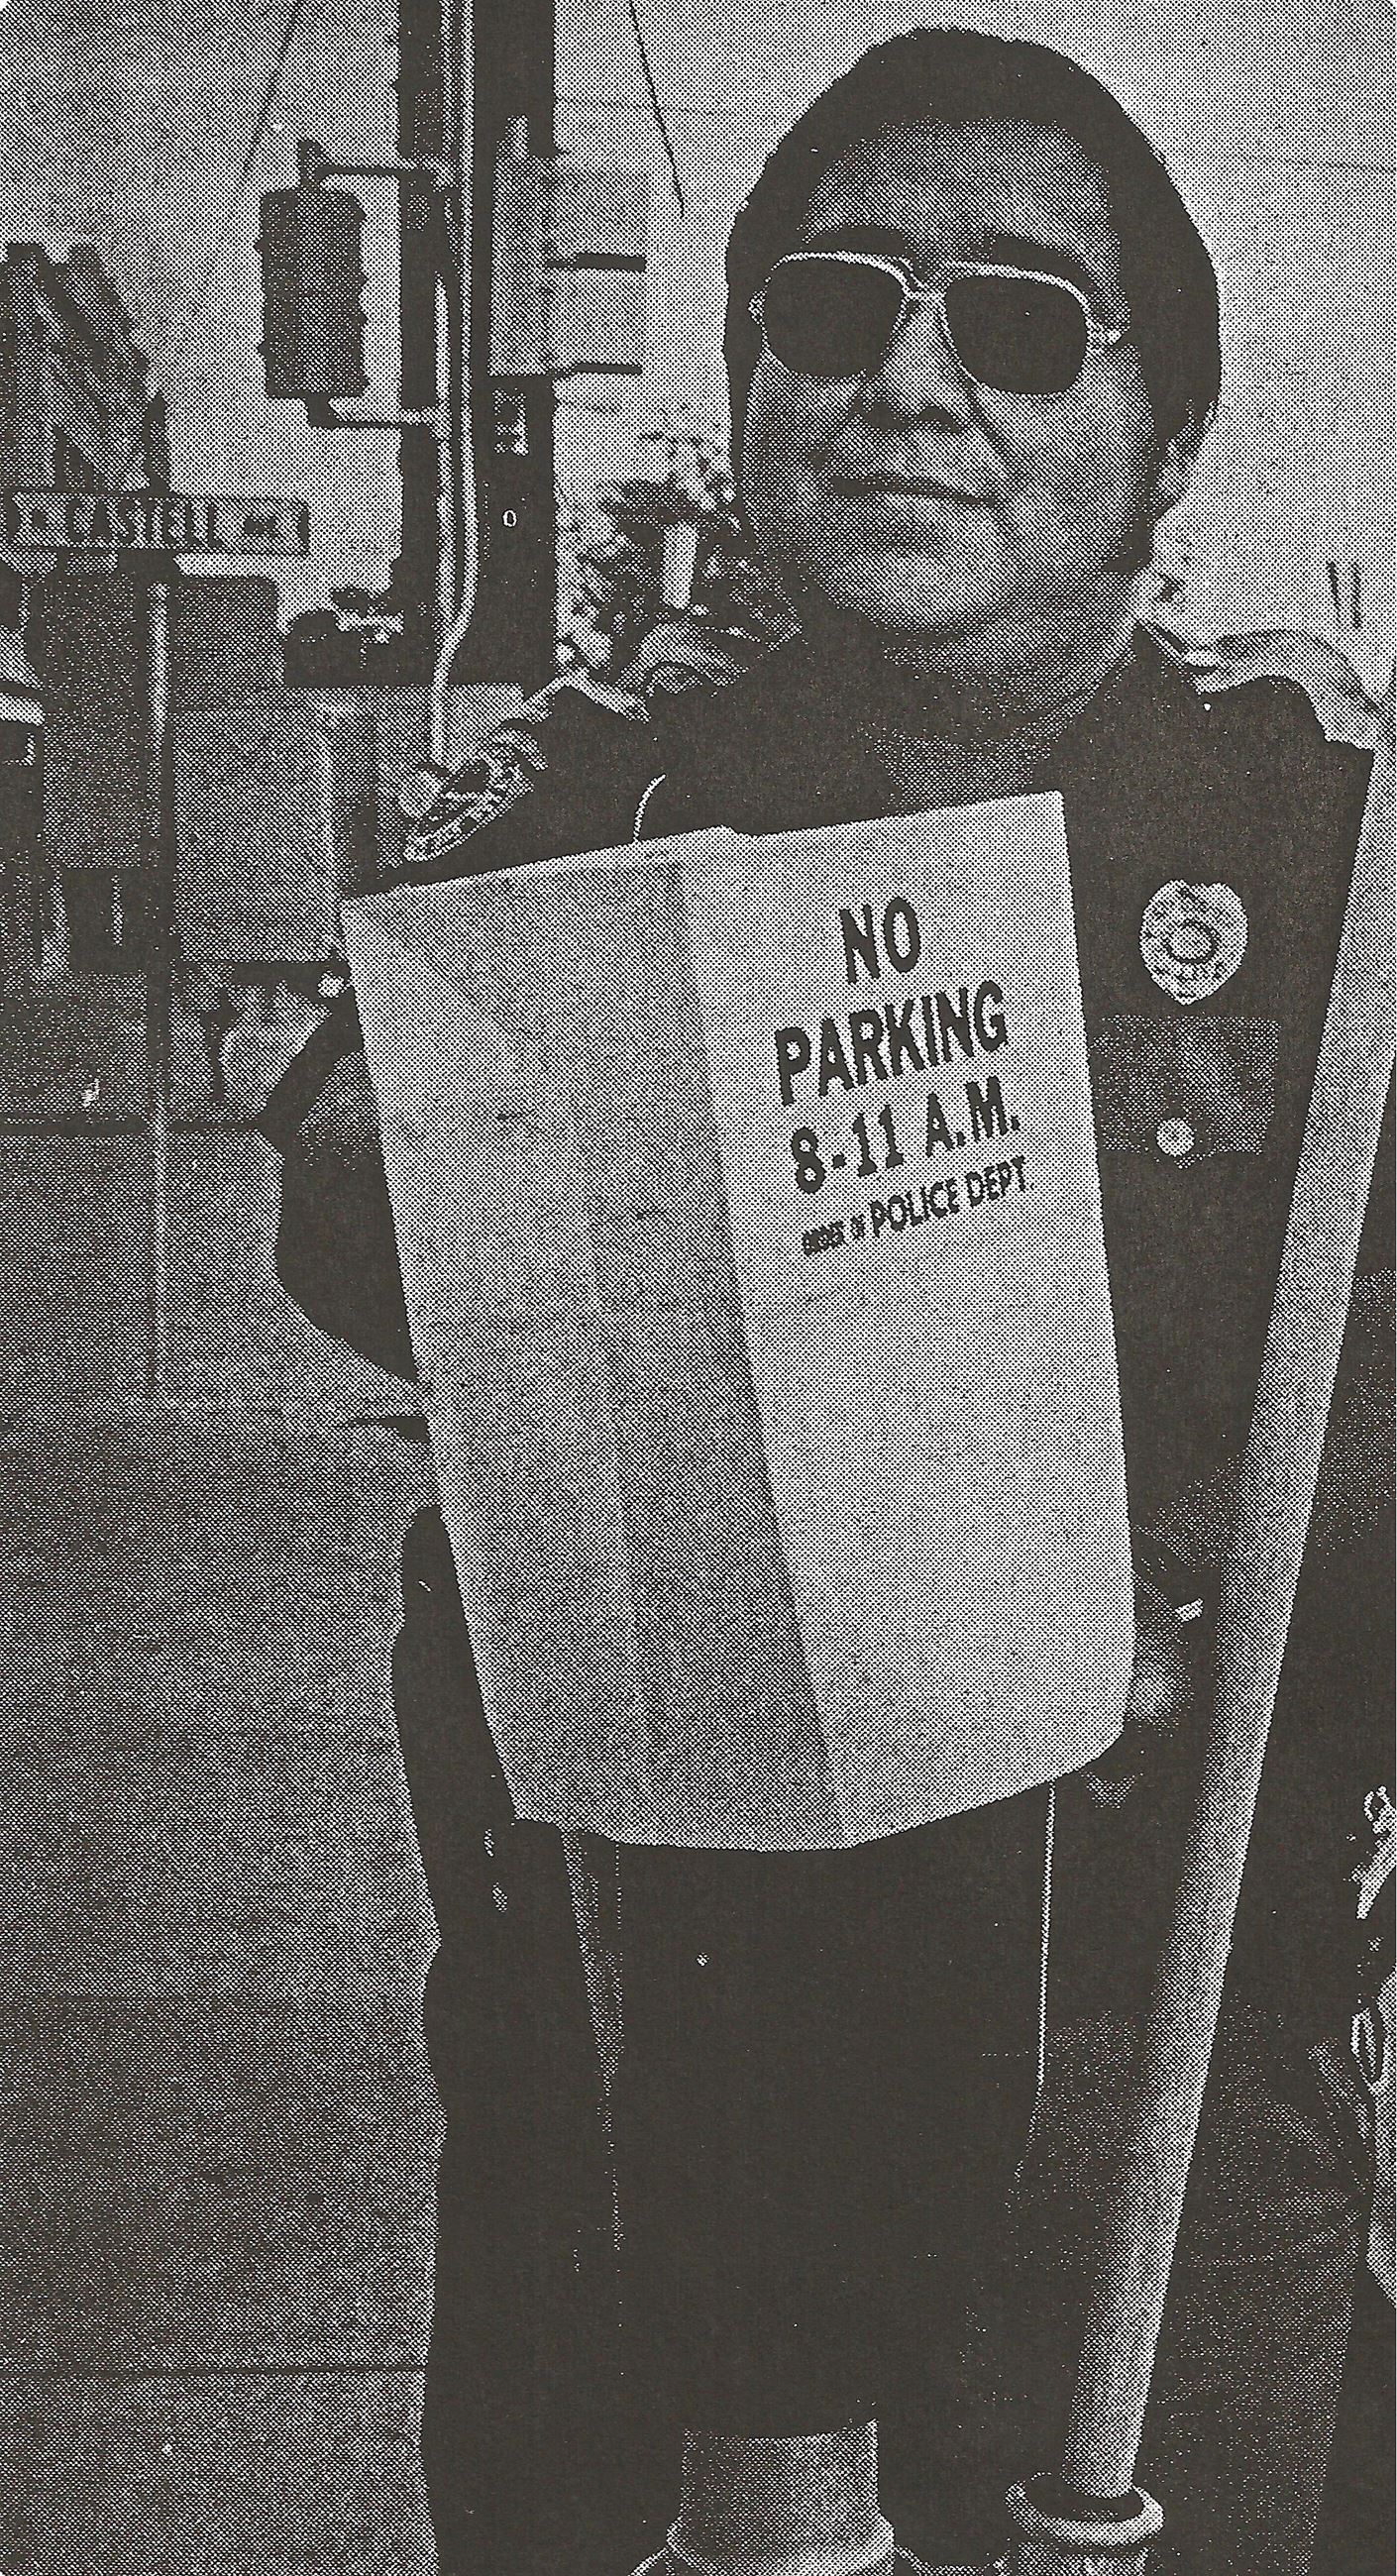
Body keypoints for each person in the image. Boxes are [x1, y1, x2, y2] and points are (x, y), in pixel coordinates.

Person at [258, 30, 1390, 2572]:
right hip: (636, 2026)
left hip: (1151, 2032)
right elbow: (337, 1209)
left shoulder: (1324, 847)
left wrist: (1188, 1600)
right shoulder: (607, 792)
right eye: (835, 301)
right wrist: (502, 1103)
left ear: (1170, 444)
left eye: (1015, 324)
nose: (906, 377)